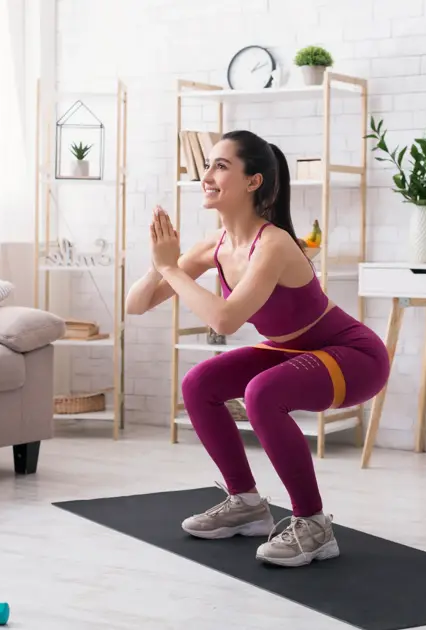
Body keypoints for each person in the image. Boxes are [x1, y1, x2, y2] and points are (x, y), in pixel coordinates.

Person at [125, 130, 390, 568]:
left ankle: (315, 526)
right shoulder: (214, 245)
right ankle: (245, 503)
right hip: (291, 351)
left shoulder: (274, 244)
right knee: (199, 383)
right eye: (207, 165)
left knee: (263, 393)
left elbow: (225, 319)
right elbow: (135, 305)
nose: (207, 175)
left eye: (221, 166)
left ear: (253, 181)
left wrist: (171, 267)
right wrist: (160, 264)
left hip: (354, 355)